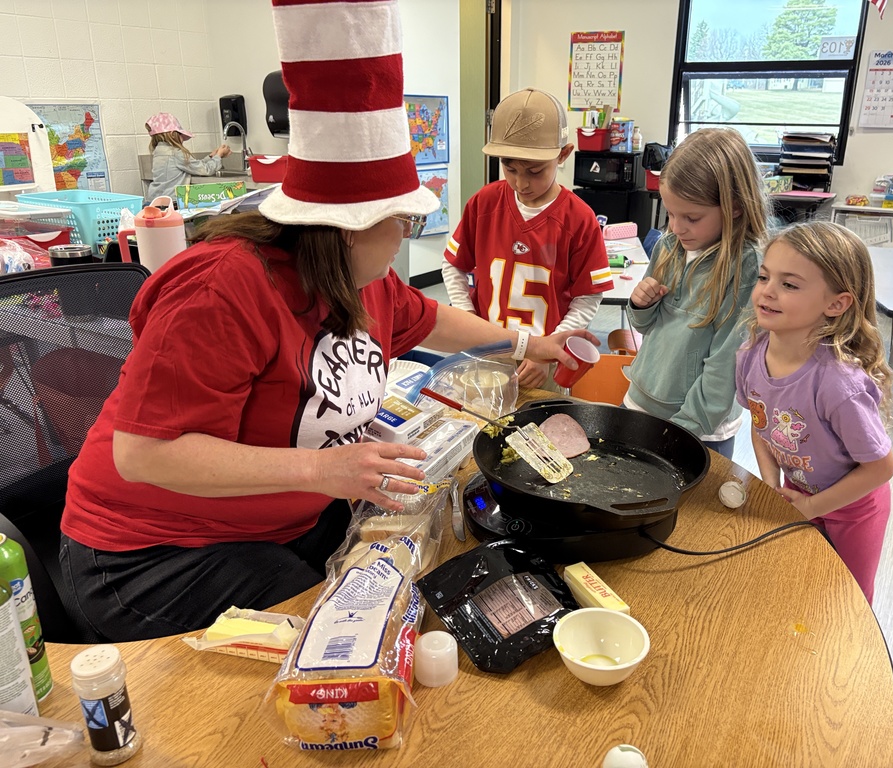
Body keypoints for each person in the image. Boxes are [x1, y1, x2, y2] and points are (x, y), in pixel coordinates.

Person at [59, 0, 595, 642]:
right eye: (401, 220)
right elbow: (145, 452)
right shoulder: (226, 287)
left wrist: (530, 342)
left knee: (402, 578)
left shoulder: (366, 282)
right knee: (333, 639)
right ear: (345, 228)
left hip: (273, 521)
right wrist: (322, 472)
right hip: (150, 553)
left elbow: (436, 323)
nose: (406, 234)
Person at [735, 222, 893, 604]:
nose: (767, 292)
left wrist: (813, 507)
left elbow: (880, 468)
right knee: (799, 581)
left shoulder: (839, 385)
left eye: (789, 284)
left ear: (836, 303)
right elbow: (762, 425)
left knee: (847, 598)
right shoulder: (749, 356)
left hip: (855, 508)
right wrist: (772, 483)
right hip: (799, 489)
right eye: (764, 277)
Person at [442, 88, 613, 389]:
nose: (521, 183)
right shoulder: (484, 204)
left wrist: (549, 350)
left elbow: (588, 297)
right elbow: (453, 265)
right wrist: (468, 320)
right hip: (487, 350)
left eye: (535, 171)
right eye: (510, 169)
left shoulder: (579, 219)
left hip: (543, 361)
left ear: (563, 155)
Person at [623, 127, 768, 459]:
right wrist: (640, 303)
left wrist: (682, 431)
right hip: (641, 400)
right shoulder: (668, 245)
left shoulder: (746, 269)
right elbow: (644, 326)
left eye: (691, 217)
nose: (676, 227)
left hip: (699, 427)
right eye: (671, 213)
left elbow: (726, 365)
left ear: (734, 207)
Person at [145, 112, 231, 201]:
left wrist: (211, 156)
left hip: (155, 201)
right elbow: (206, 170)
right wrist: (219, 156)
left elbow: (193, 165)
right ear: (172, 135)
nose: (182, 139)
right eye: (180, 135)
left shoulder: (158, 151)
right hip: (171, 202)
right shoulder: (176, 153)